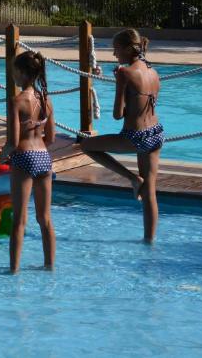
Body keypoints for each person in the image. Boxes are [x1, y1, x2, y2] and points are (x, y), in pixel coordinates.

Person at [80, 29, 162, 243]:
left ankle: (132, 178)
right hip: (155, 133)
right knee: (150, 192)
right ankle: (149, 241)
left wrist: (119, 81)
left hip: (135, 136)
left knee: (87, 146)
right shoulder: (153, 72)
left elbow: (118, 114)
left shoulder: (125, 73)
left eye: (115, 50)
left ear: (127, 48)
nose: (114, 55)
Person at [0, 51, 55, 274]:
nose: (13, 76)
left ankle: (13, 271)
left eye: (14, 72)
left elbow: (12, 142)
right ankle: (49, 266)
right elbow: (50, 138)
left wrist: (1, 156)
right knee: (45, 219)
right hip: (43, 158)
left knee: (19, 220)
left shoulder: (17, 101)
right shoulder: (46, 100)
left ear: (21, 73)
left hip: (23, 157)